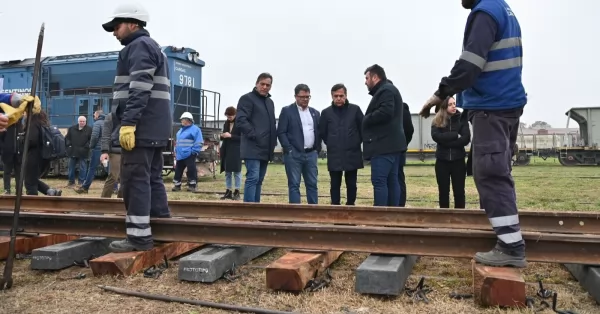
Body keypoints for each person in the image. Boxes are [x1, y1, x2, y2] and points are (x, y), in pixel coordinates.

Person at [419, 0, 527, 267]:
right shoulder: (502, 8)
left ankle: (511, 246)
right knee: (498, 171)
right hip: (506, 104)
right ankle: (508, 238)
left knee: (490, 173)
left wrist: (441, 92)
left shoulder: (484, 12)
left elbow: (469, 65)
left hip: (492, 106)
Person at [102, 3, 172, 252]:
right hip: (154, 127)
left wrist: (128, 123)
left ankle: (139, 237)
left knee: (134, 180)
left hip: (141, 128)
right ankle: (162, 228)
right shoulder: (153, 47)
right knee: (152, 178)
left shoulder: (139, 46)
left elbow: (140, 87)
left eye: (116, 26)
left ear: (133, 24)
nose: (114, 32)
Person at [362, 65, 406, 207]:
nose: (365, 82)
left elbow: (385, 112)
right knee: (391, 181)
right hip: (392, 146)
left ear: (375, 77)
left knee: (380, 181)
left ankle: (380, 217)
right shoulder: (388, 89)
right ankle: (392, 217)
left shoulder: (386, 90)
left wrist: (366, 119)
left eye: (367, 78)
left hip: (383, 147)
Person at [318, 83, 364, 206]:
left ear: (346, 95)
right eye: (336, 96)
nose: (339, 98)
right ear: (332, 96)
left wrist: (354, 141)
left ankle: (350, 205)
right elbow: (322, 132)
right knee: (334, 183)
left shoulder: (355, 110)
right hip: (335, 153)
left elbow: (362, 129)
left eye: (341, 95)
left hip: (352, 153)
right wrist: (333, 142)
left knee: (352, 183)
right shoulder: (326, 113)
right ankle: (335, 207)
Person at [235, 72, 277, 203]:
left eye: (268, 85)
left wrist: (272, 142)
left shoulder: (270, 102)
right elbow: (241, 120)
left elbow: (271, 124)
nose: (265, 87)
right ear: (256, 83)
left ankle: (256, 209)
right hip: (252, 146)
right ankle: (248, 212)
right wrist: (254, 135)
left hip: (266, 147)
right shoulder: (247, 99)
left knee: (259, 179)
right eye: (262, 84)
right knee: (253, 177)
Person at [277, 84, 321, 204]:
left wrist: (317, 149)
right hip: (294, 154)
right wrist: (289, 149)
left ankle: (313, 213)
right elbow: (281, 132)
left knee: (312, 184)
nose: (305, 99)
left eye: (307, 97)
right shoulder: (287, 111)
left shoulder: (315, 113)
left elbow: (319, 131)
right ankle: (295, 214)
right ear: (296, 96)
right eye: (302, 97)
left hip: (311, 154)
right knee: (294, 184)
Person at [430, 96, 471, 209]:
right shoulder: (437, 120)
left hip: (458, 161)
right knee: (443, 192)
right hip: (442, 161)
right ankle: (444, 220)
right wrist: (454, 135)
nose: (454, 106)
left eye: (454, 103)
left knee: (459, 192)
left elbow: (466, 138)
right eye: (450, 104)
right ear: (444, 107)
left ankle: (459, 219)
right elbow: (436, 136)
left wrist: (445, 141)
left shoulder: (462, 119)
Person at [0, 93, 42, 194]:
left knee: (19, 172)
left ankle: (19, 190)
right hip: (8, 152)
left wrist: (17, 99)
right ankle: (7, 190)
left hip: (18, 152)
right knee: (7, 172)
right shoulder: (7, 124)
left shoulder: (21, 125)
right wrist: (3, 149)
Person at [20, 110, 62, 196]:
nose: (24, 114)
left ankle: (33, 204)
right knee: (32, 179)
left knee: (30, 183)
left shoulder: (32, 123)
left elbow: (32, 141)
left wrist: (22, 141)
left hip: (33, 156)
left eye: (25, 112)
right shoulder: (43, 122)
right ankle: (50, 191)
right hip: (43, 156)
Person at [388, 80, 414, 207]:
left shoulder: (403, 108)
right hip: (384, 150)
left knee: (398, 177)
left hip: (398, 150)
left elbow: (409, 129)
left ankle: (400, 205)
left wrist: (402, 144)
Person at [75, 110, 106, 194]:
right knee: (109, 169)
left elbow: (95, 136)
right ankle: (114, 187)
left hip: (98, 149)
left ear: (97, 115)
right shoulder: (107, 122)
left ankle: (85, 188)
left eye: (94, 115)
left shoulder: (97, 123)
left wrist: (91, 146)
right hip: (107, 149)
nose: (93, 116)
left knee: (92, 168)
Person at [172, 112, 202, 192]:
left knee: (191, 169)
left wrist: (194, 151)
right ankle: (177, 185)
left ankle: (192, 185)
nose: (181, 121)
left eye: (183, 119)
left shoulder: (196, 129)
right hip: (180, 154)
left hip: (189, 154)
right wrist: (176, 151)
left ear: (188, 120)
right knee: (178, 170)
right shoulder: (180, 130)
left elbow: (199, 142)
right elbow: (178, 142)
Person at [219, 106, 242, 200]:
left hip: (236, 150)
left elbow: (243, 138)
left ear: (235, 115)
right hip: (227, 150)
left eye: (230, 117)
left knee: (237, 172)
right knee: (227, 171)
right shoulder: (226, 123)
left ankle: (237, 191)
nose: (228, 118)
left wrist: (231, 136)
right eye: (227, 117)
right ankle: (228, 190)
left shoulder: (240, 123)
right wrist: (222, 136)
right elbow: (225, 135)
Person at [64, 116, 92, 188]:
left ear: (86, 122)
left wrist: (86, 147)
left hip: (83, 152)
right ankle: (71, 182)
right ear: (78, 121)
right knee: (71, 167)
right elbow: (67, 138)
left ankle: (81, 182)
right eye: (81, 121)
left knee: (83, 167)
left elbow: (91, 140)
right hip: (73, 151)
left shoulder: (89, 129)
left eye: (83, 121)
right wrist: (69, 146)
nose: (82, 123)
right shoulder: (71, 129)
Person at [99, 111, 122, 198]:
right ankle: (103, 203)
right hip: (115, 149)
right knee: (113, 176)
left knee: (126, 179)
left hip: (129, 149)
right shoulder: (111, 116)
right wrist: (105, 151)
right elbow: (105, 135)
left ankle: (121, 204)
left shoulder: (133, 113)